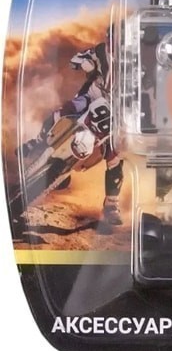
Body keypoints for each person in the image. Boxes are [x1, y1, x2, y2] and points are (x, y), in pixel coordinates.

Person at [20, 28, 124, 226]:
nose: (113, 43)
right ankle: (39, 141)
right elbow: (76, 59)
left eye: (118, 39)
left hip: (116, 113)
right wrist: (84, 63)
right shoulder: (100, 51)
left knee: (115, 159)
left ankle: (112, 205)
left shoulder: (137, 62)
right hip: (92, 96)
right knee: (62, 113)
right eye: (111, 38)